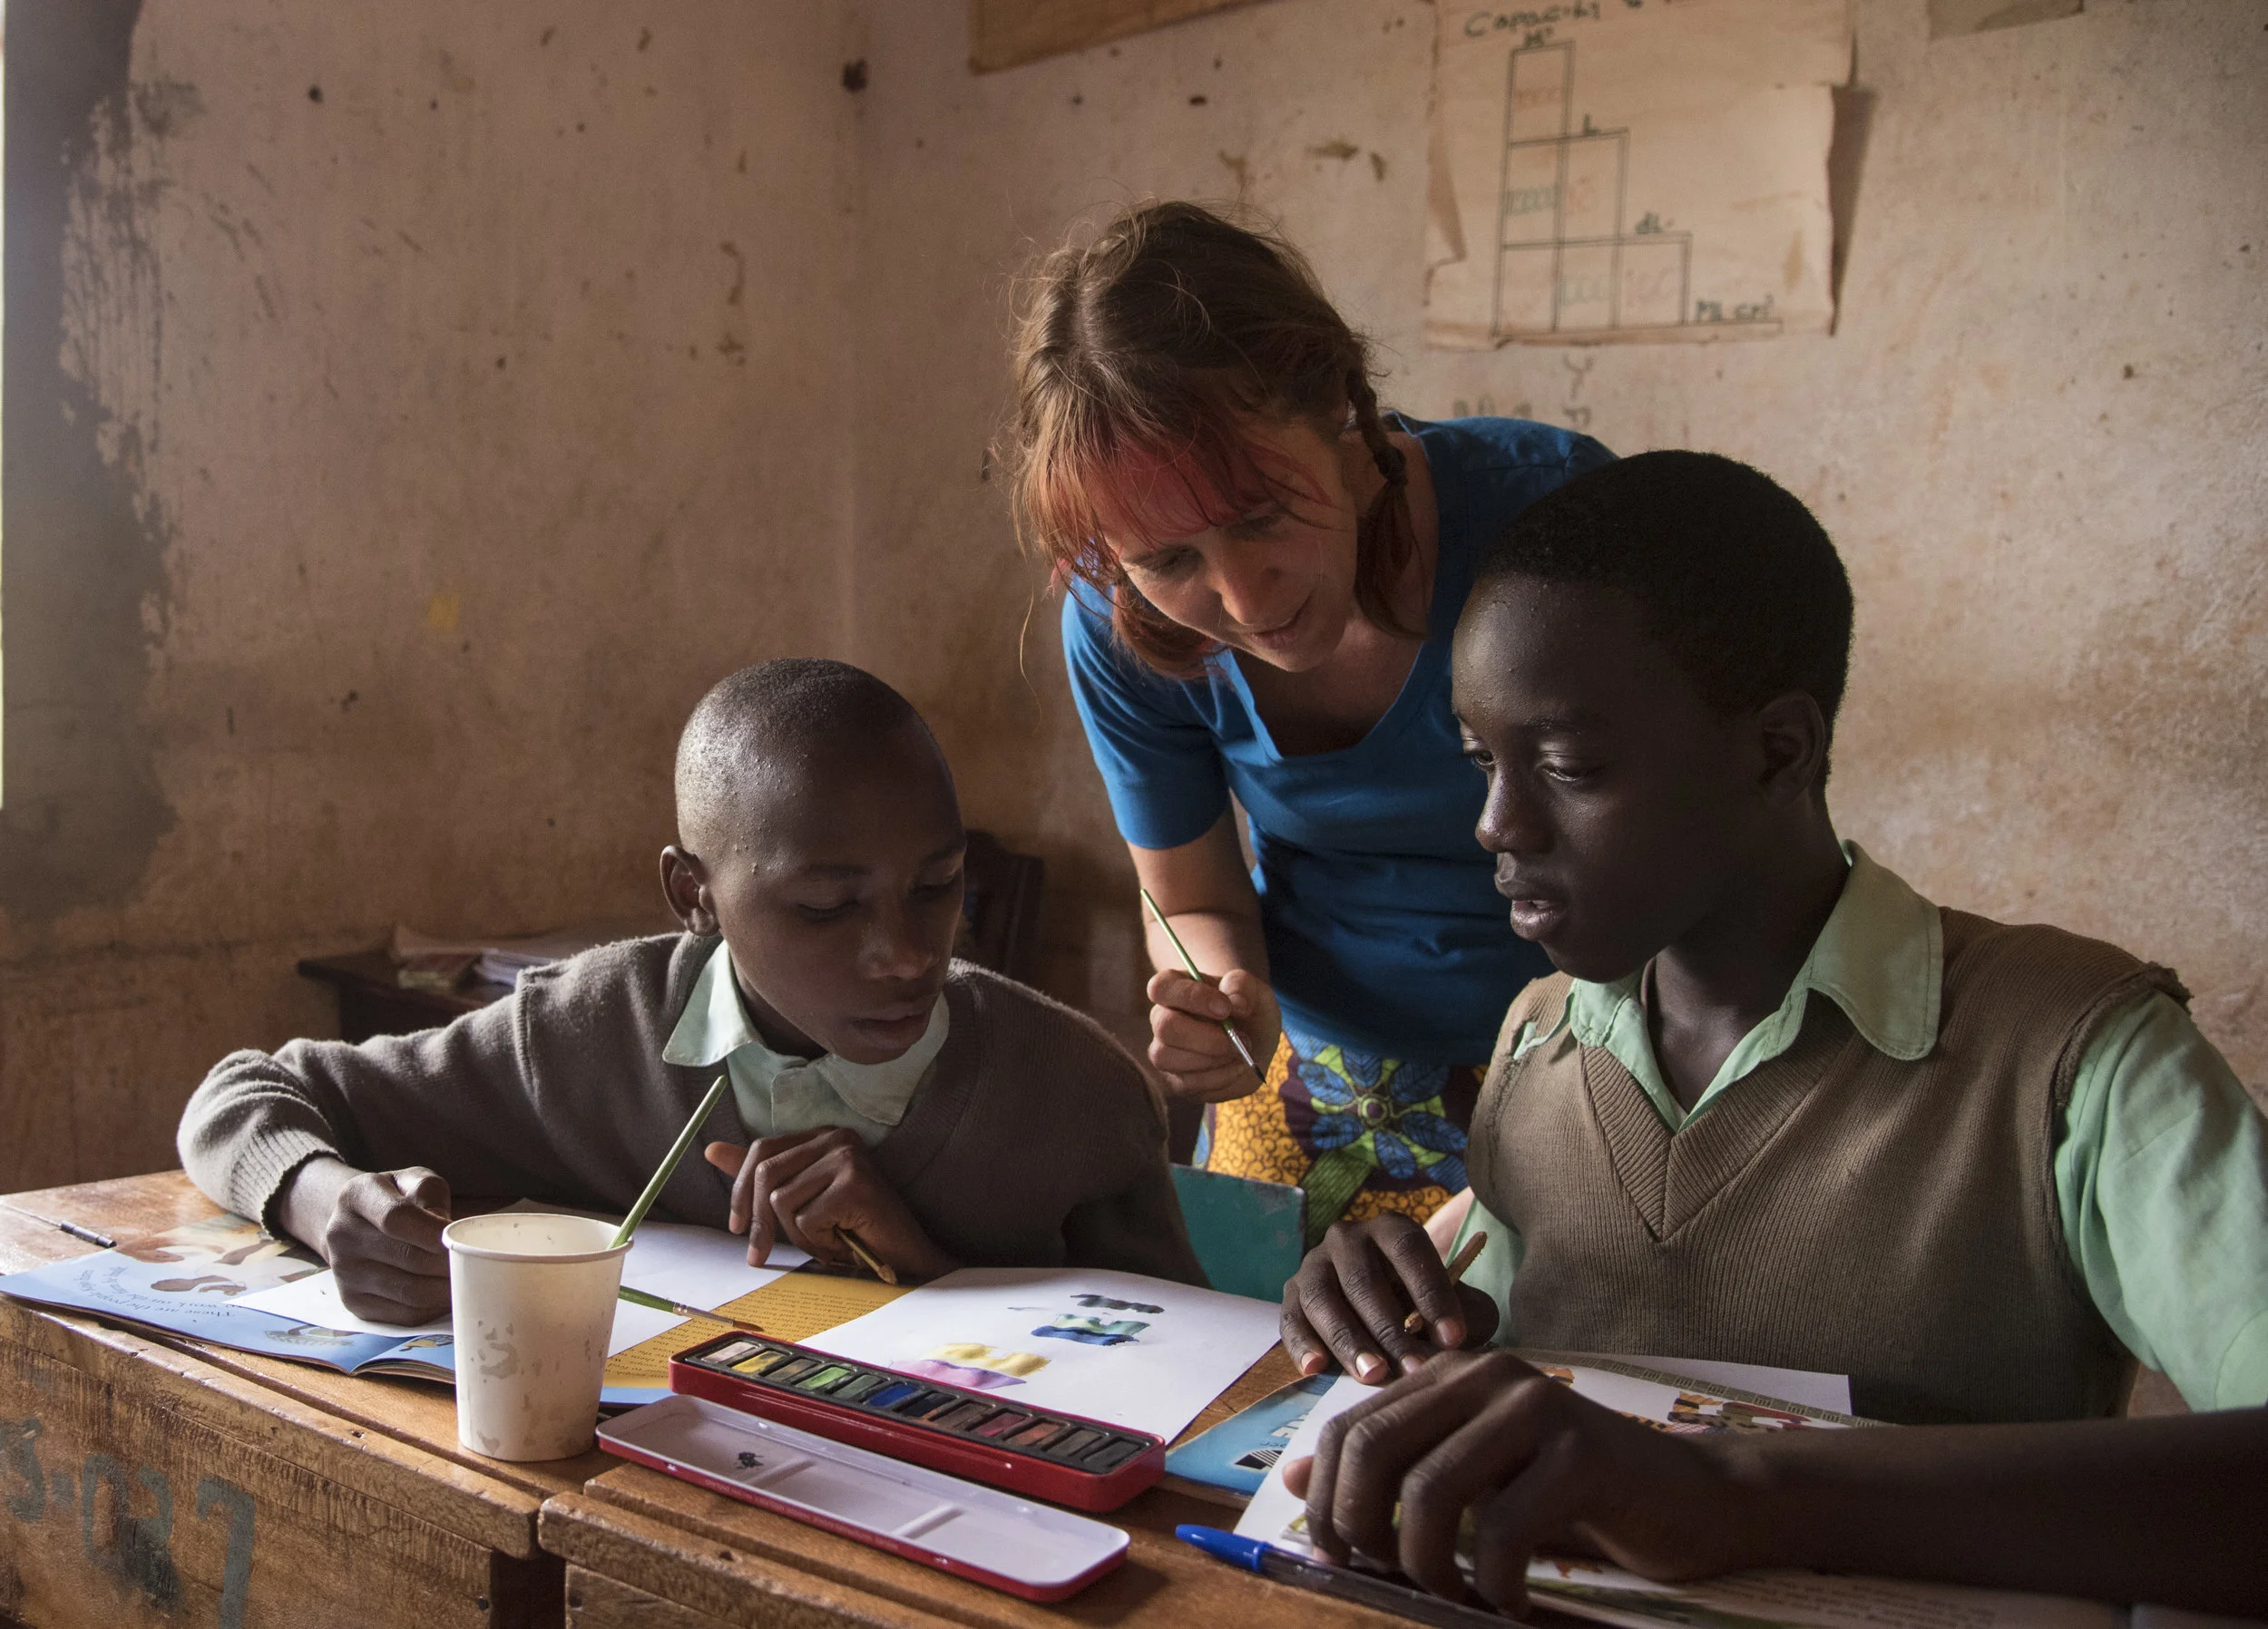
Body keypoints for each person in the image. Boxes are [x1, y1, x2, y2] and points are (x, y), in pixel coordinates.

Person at [1278, 453, 2268, 1613]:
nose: (1497, 823)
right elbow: (1522, 1351)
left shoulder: (2073, 1057)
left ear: (1778, 750)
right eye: (1483, 762)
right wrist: (1381, 1304)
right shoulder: (1541, 1039)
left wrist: (1740, 1490)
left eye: (1569, 765)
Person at [179, 659, 1201, 1321]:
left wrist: (921, 1267)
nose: (902, 951)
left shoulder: (1072, 1093)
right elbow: (249, 1092)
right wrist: (323, 1201)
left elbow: (1181, 1376)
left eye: (935, 888)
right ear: (693, 895)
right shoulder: (586, 1036)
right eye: (825, 908)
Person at [1012, 200, 1611, 1244]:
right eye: (1168, 560)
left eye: (1261, 514)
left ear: (1341, 405)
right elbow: (1190, 895)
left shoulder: (1559, 527)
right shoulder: (1115, 626)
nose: (1243, 598)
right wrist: (1213, 996)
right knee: (1249, 1382)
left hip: (1594, 1062)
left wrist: (1527, 1169)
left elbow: (1696, 879)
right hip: (1307, 1074)